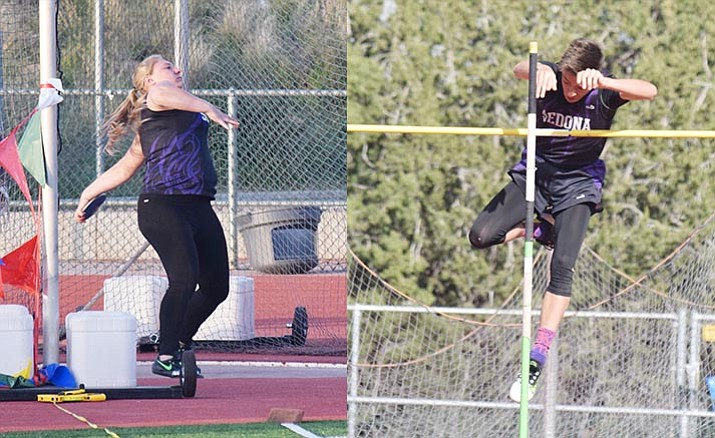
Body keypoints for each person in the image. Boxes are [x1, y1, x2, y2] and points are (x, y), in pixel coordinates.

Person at [467, 38, 657, 402]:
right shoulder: (552, 77)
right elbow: (518, 69)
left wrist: (604, 83)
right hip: (536, 174)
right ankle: (540, 228)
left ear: (590, 74)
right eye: (565, 81)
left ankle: (537, 357)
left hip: (579, 182)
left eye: (575, 83)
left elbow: (649, 90)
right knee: (481, 235)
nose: (569, 89)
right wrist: (537, 69)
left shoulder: (601, 91)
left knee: (564, 262)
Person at [75, 54, 240, 378]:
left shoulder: (158, 119)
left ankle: (176, 341)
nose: (177, 69)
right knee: (184, 278)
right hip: (162, 206)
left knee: (216, 287)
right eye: (167, 67)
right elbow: (166, 95)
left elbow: (125, 166)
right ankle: (166, 356)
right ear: (149, 80)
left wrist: (88, 192)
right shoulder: (158, 95)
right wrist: (87, 194)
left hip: (198, 206)